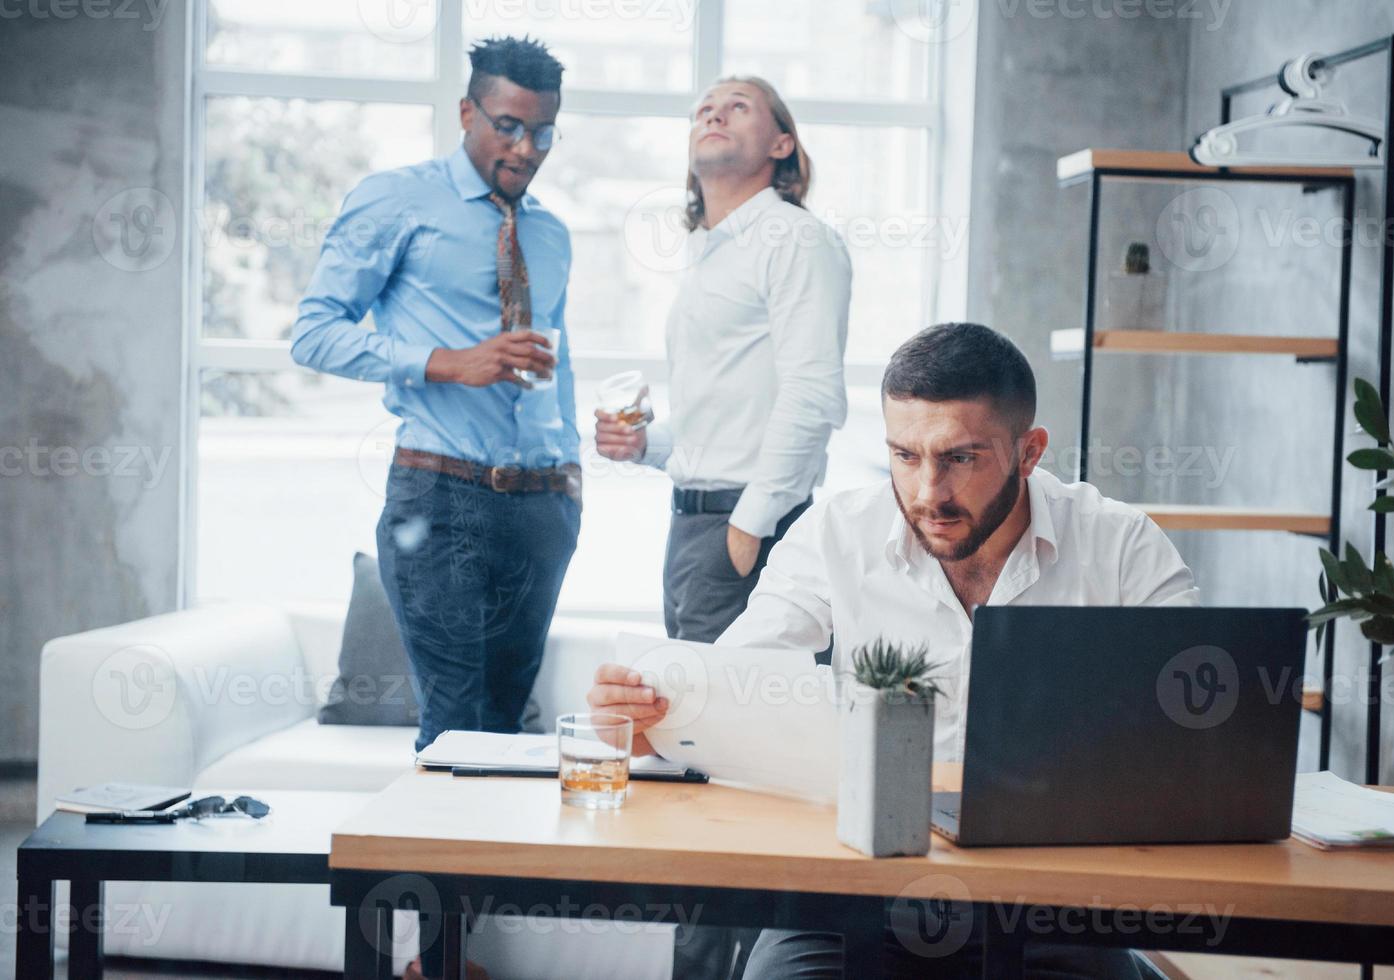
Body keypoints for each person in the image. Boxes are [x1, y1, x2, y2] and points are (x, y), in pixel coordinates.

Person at [587, 322, 1199, 977]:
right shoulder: (837, 530)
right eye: (904, 456)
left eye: (959, 458)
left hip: (1057, 909)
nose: (927, 493)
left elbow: (1198, 728)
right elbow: (736, 679)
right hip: (852, 903)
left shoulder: (1118, 543)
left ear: (1028, 451)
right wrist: (656, 718)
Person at [291, 36, 579, 755]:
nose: (525, 148)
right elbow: (314, 334)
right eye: (507, 126)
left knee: (508, 730)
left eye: (542, 132)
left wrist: (569, 469)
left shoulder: (550, 232)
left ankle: (499, 873)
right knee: (456, 730)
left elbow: (555, 361)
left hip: (542, 507)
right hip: (442, 498)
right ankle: (432, 873)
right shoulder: (398, 199)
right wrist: (449, 363)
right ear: (465, 112)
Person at [594, 74, 851, 644]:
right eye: (702, 110)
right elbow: (718, 420)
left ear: (781, 144)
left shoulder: (794, 238)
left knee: (728, 726)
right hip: (694, 526)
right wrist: (645, 444)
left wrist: (747, 528)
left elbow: (813, 393)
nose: (713, 115)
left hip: (745, 526)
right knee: (696, 725)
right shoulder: (712, 255)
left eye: (738, 107)